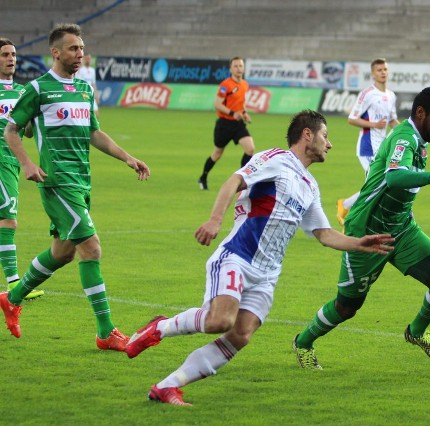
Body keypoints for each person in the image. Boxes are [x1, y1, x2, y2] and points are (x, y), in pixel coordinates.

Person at [126, 110, 394, 406]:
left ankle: (168, 386)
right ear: (307, 134)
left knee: (240, 335)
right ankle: (160, 327)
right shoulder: (277, 160)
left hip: (267, 275)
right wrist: (215, 220)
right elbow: (233, 181)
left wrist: (359, 243)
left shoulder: (310, 185)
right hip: (237, 257)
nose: (329, 144)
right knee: (220, 321)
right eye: (325, 136)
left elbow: (324, 233)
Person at [293, 87, 430, 369]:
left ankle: (416, 332)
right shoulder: (404, 137)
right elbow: (395, 178)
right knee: (347, 307)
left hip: (402, 229)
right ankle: (303, 342)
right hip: (366, 232)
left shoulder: (419, 140)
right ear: (421, 113)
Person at [0, 23, 150, 351]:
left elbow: (94, 132)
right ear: (55, 53)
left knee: (63, 253)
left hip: (82, 181)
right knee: (92, 248)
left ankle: (11, 298)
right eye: (73, 48)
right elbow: (13, 130)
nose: (79, 54)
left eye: (81, 48)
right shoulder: (38, 89)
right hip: (57, 182)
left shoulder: (84, 89)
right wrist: (28, 164)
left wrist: (127, 157)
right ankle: (106, 331)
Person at [0, 38, 44, 300]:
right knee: (8, 220)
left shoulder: (21, 91)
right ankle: (14, 283)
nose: (11, 59)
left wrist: (31, 120)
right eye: (5, 54)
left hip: (12, 160)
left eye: (14, 54)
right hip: (1, 161)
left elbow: (25, 132)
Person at [337, 58, 399, 227]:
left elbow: (393, 120)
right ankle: (353, 218)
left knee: (380, 184)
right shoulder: (367, 94)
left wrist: (406, 134)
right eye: (379, 70)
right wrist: (373, 124)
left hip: (382, 148)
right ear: (372, 74)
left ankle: (346, 206)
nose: (383, 72)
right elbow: (352, 119)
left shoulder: (391, 95)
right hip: (367, 148)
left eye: (385, 69)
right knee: (376, 184)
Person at [197, 56, 254, 190]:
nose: (238, 68)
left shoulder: (245, 84)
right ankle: (203, 177)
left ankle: (241, 180)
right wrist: (232, 113)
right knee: (217, 154)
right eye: (235, 66)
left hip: (238, 124)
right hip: (224, 124)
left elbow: (241, 103)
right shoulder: (225, 85)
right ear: (230, 69)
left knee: (250, 148)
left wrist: (244, 113)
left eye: (240, 66)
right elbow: (217, 104)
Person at [75, 52, 99, 117]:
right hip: (83, 94)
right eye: (87, 58)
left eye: (89, 58)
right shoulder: (80, 70)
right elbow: (78, 84)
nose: (88, 60)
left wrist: (96, 95)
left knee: (96, 114)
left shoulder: (92, 70)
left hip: (91, 94)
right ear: (84, 59)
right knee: (86, 115)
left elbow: (93, 83)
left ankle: (91, 127)